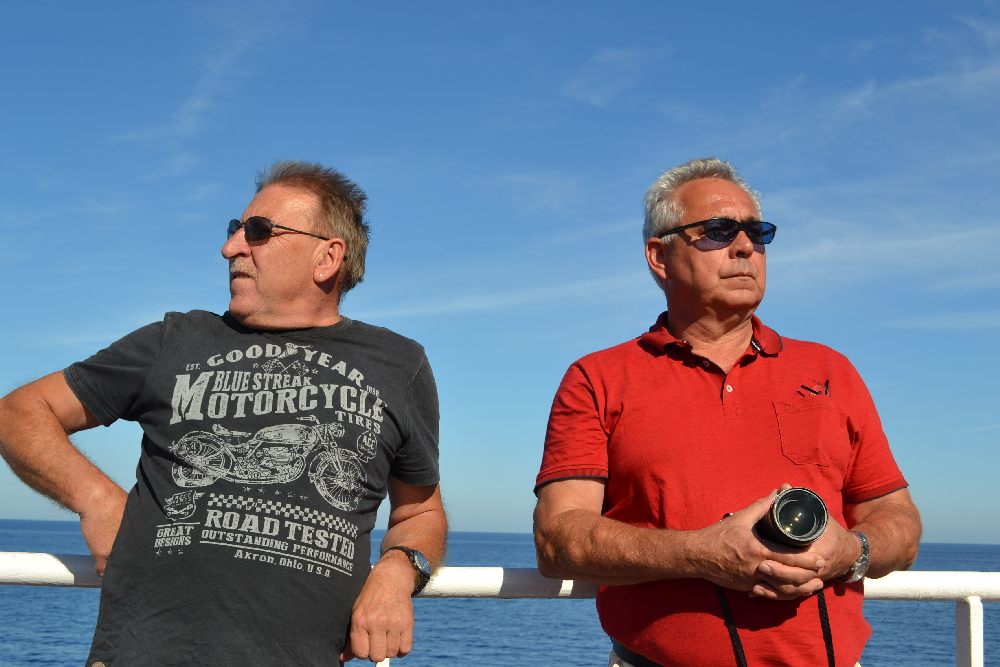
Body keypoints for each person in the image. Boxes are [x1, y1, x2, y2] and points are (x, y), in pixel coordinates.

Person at [0, 160, 447, 666]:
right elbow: (20, 411)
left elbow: (420, 512)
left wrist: (397, 571)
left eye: (258, 231)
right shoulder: (174, 340)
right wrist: (97, 500)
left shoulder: (399, 364)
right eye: (235, 228)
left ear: (327, 257)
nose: (231, 246)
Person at [533, 157, 921, 666]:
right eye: (718, 231)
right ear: (659, 256)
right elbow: (558, 538)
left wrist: (851, 551)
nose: (744, 247)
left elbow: (899, 522)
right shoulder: (598, 379)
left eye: (757, 233)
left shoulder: (830, 371)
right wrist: (703, 553)